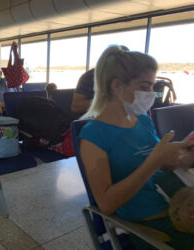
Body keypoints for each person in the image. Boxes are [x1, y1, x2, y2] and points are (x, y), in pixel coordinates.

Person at [79, 45, 194, 249]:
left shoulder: (143, 120)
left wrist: (178, 155)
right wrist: (155, 160)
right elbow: (106, 204)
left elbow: (159, 166)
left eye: (152, 86)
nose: (152, 94)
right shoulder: (93, 136)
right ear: (118, 86)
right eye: (145, 86)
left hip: (179, 204)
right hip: (153, 224)